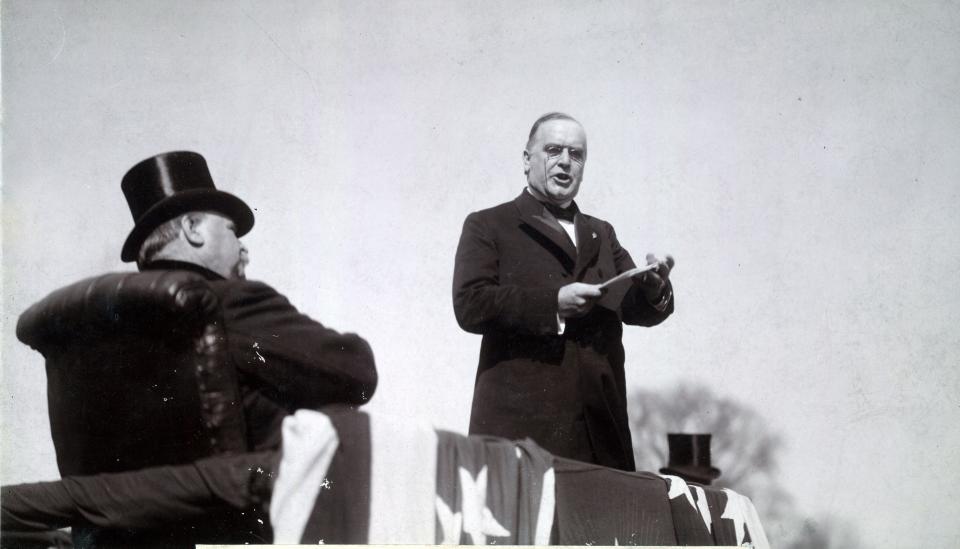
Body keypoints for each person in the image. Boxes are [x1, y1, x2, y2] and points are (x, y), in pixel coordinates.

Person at [453, 113, 674, 471]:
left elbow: (636, 309)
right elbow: (470, 303)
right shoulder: (489, 224)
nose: (565, 162)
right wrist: (553, 304)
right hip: (521, 439)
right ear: (527, 160)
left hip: (601, 438)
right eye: (553, 150)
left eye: (576, 154)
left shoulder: (602, 233)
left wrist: (654, 287)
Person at [121, 150, 378, 450]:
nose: (244, 250)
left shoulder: (107, 327)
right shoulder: (227, 303)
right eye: (232, 232)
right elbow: (354, 369)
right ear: (192, 229)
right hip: (252, 492)